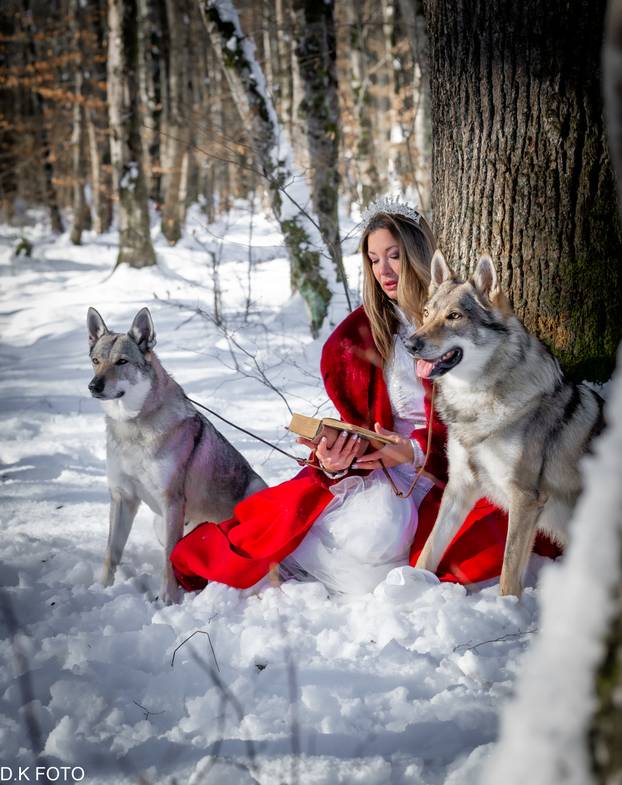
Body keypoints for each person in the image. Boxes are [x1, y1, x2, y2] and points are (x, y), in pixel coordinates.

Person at [170, 197, 558, 594]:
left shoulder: (461, 328)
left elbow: (485, 418)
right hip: (378, 468)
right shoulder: (361, 336)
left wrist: (412, 452)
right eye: (374, 259)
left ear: (417, 254)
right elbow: (358, 423)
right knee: (310, 526)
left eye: (394, 255)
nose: (384, 271)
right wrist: (335, 455)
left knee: (411, 542)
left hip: (446, 468)